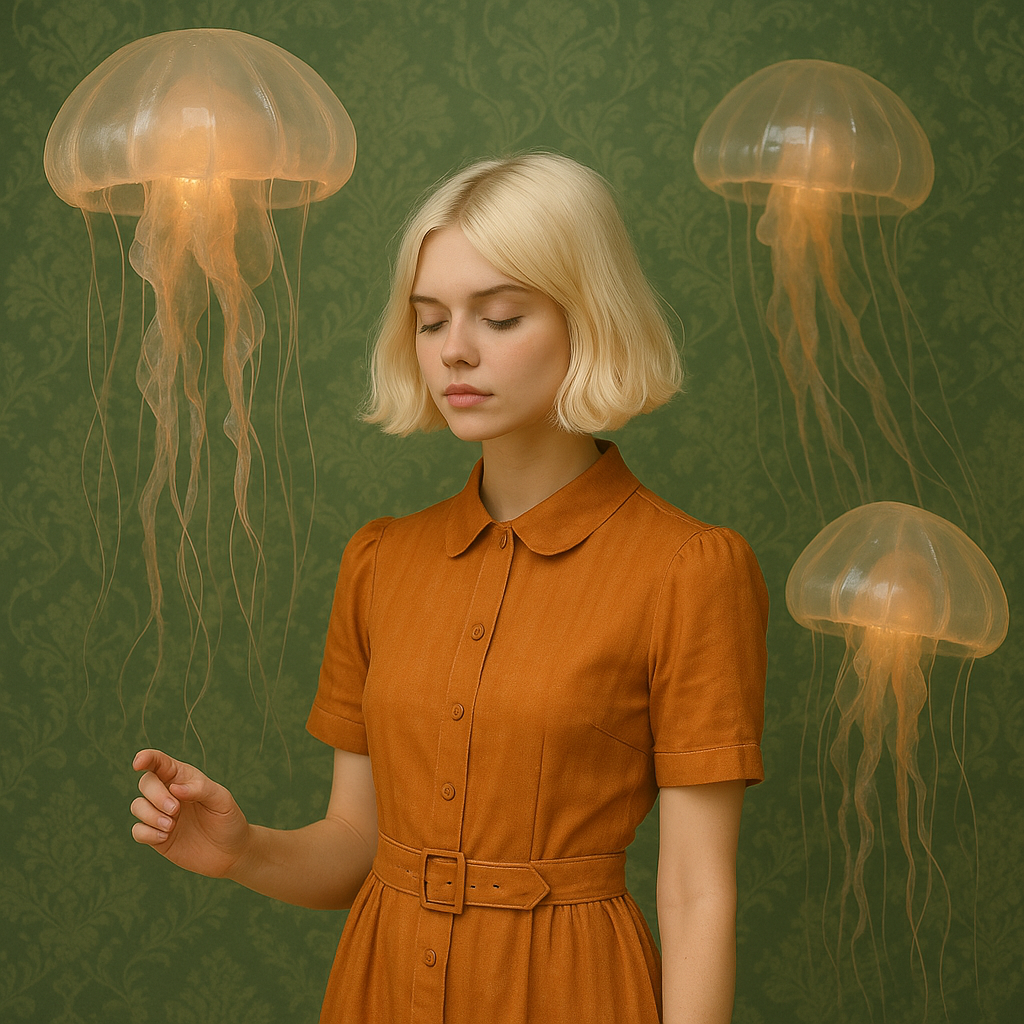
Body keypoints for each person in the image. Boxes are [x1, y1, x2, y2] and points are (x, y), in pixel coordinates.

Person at [131, 152, 769, 1024]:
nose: (456, 351)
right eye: (430, 322)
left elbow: (697, 892)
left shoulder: (689, 570)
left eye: (501, 316)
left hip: (571, 991)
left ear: (591, 320)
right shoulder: (381, 561)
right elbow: (356, 846)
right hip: (379, 987)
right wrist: (245, 851)